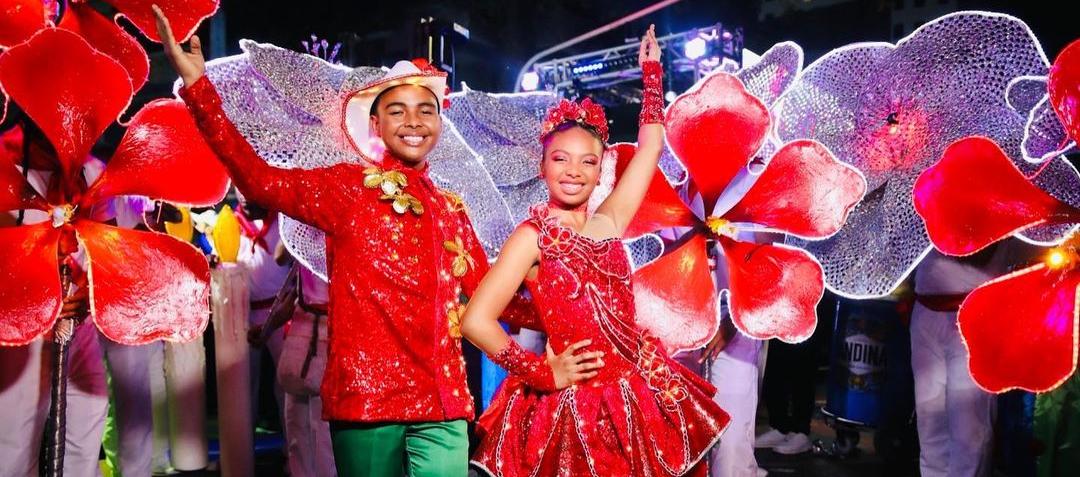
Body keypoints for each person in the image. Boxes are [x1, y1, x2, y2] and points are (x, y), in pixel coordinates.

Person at [155, 7, 539, 476]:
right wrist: (199, 89)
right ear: (375, 126)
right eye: (396, 111)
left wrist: (579, 314)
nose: (413, 122)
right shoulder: (347, 188)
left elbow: (489, 296)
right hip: (368, 399)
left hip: (444, 402)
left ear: (439, 124)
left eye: (426, 110)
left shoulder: (452, 209)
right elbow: (259, 183)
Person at [464, 26, 729, 477]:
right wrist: (541, 373)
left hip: (636, 394)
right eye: (561, 159)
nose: (573, 171)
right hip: (573, 407)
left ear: (601, 167)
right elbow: (475, 319)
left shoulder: (610, 221)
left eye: (588, 161)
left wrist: (651, 74)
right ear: (543, 164)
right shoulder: (532, 236)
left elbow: (651, 145)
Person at [910, 245, 1027, 477]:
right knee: (930, 423)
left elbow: (982, 252)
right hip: (926, 310)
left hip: (976, 314)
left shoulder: (1003, 208)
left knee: (970, 429)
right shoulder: (926, 207)